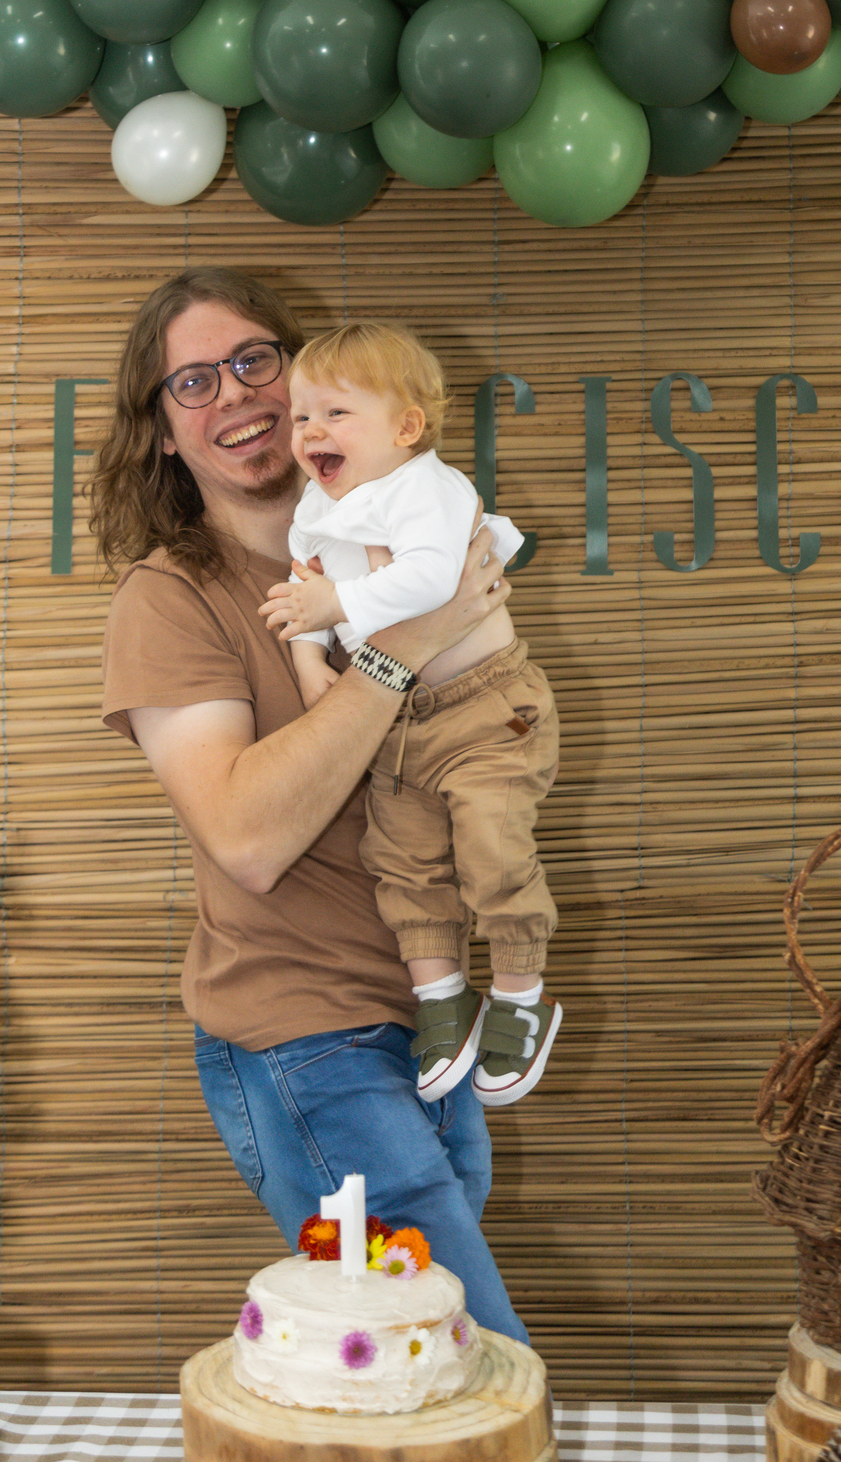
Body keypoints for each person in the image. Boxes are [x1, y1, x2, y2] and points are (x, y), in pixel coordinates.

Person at [91, 265, 528, 1343]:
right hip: (302, 1036)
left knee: (409, 1371)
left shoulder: (394, 551)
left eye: (253, 361)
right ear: (161, 433)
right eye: (191, 383)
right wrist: (403, 649)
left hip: (428, 1015)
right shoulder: (172, 598)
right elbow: (246, 837)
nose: (233, 394)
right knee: (473, 1354)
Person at [261, 322, 561, 1110]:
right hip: (397, 720)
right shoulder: (318, 504)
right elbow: (304, 584)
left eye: (335, 414)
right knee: (404, 864)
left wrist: (338, 601)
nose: (311, 432)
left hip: (484, 708)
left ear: (406, 429)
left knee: (492, 848)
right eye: (301, 417)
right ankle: (444, 1000)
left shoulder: (426, 487)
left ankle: (523, 997)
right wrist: (307, 653)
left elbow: (434, 579)